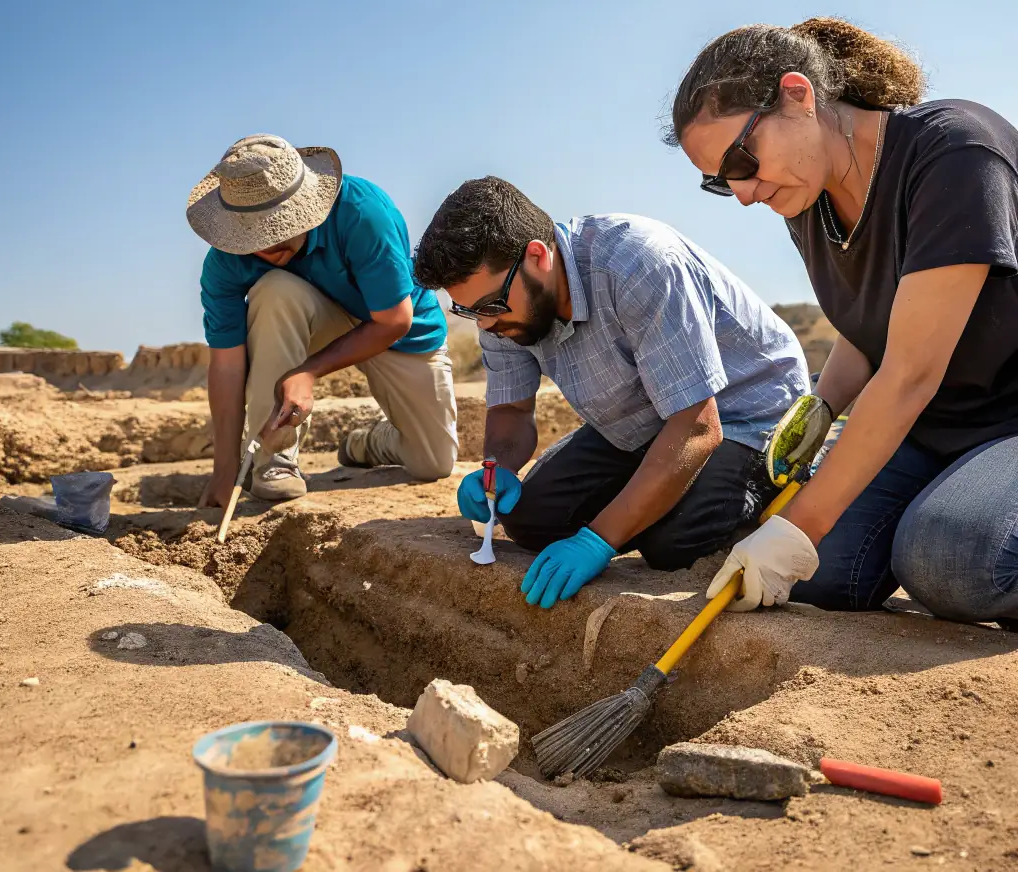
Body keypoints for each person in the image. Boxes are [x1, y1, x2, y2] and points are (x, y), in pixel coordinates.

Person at [669, 18, 1018, 628]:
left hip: (1004, 419)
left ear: (797, 96)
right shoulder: (804, 199)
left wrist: (797, 526)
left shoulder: (955, 154)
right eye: (722, 183)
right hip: (937, 426)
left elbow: (908, 374)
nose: (745, 193)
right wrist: (821, 408)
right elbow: (869, 325)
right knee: (824, 573)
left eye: (742, 160)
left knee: (949, 560)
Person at [413, 177, 809, 608]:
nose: (485, 324)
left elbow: (696, 428)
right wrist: (497, 468)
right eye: (468, 311)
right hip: (644, 418)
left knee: (672, 543)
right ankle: (656, 491)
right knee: (530, 521)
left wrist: (598, 539)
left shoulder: (639, 265)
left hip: (743, 413)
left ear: (537, 257)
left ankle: (769, 487)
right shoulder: (500, 305)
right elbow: (511, 411)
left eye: (489, 307)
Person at [186, 133, 458, 504]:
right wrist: (224, 470)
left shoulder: (363, 212)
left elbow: (394, 321)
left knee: (434, 463)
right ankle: (273, 460)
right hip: (313, 318)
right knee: (275, 290)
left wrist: (308, 372)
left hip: (395, 328)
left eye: (277, 227)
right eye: (252, 234)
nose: (266, 247)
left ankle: (369, 442)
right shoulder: (223, 264)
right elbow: (228, 365)